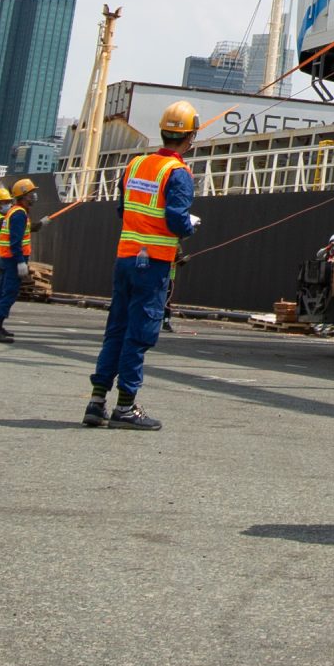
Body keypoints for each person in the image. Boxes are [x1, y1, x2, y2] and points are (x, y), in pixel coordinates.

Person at [83, 106, 201, 430]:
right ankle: (125, 407)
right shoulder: (178, 173)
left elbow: (124, 210)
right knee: (140, 333)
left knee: (116, 330)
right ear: (190, 137)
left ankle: (96, 403)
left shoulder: (135, 165)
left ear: (164, 131)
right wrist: (189, 226)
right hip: (153, 266)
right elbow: (176, 219)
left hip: (125, 258)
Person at [0, 177, 38, 342]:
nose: (34, 196)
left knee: (3, 293)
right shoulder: (18, 214)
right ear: (23, 196)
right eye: (31, 193)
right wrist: (21, 261)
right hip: (12, 260)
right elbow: (15, 241)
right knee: (8, 294)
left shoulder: (15, 212)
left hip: (7, 258)